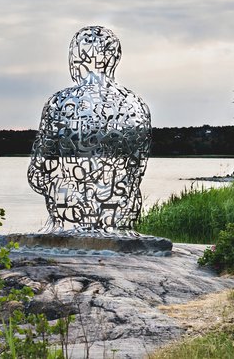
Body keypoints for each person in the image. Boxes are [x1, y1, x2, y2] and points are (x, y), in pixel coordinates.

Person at [27, 26, 151, 233]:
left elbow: (37, 174)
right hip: (120, 213)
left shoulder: (59, 103)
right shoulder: (136, 105)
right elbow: (137, 170)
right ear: (114, 58)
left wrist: (71, 186)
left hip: (68, 213)